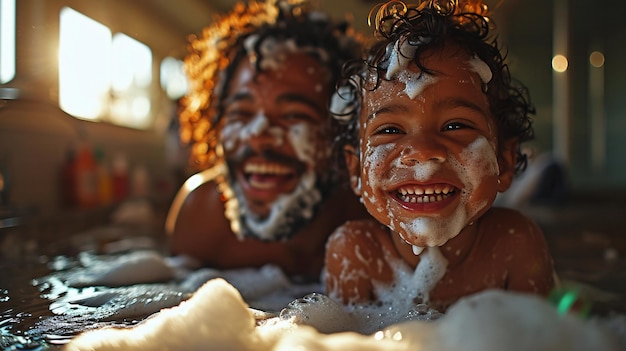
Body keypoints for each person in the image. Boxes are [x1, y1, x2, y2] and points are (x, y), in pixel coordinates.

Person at [323, 0, 556, 311]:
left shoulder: (514, 245)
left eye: (455, 125)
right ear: (355, 170)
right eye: (390, 130)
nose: (422, 152)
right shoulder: (354, 254)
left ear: (504, 160)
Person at [165, 0, 368, 282]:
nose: (258, 133)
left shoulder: (368, 213)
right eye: (241, 113)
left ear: (342, 128)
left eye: (294, 115)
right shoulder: (203, 217)